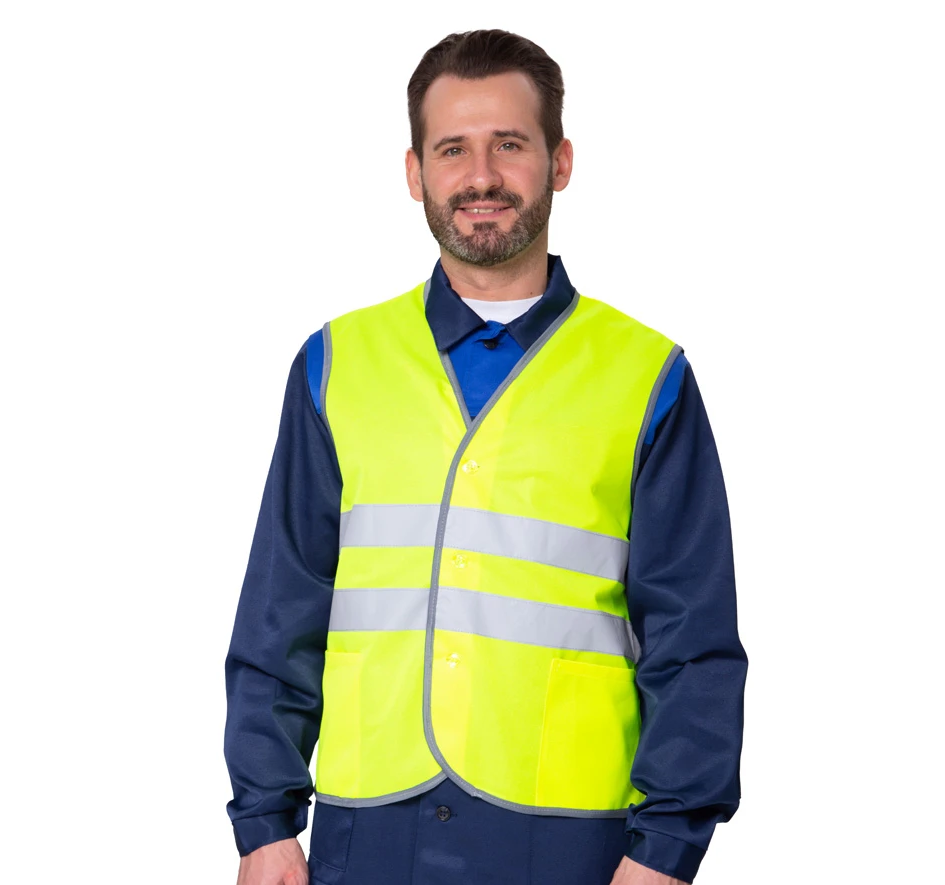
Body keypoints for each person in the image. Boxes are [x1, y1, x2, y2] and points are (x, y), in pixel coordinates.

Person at [224, 29, 747, 885]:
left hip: (570, 839)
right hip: (369, 831)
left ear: (559, 162)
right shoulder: (336, 363)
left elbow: (694, 638)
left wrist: (667, 849)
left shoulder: (647, 376)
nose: (481, 176)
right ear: (414, 172)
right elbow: (280, 612)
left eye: (509, 144)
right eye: (452, 149)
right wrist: (263, 822)